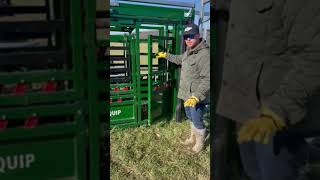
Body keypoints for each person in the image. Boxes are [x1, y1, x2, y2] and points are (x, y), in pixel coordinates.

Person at [214, 0, 319, 179]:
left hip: (273, 116)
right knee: (253, 171)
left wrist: (278, 111)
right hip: (243, 108)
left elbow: (314, 56)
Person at [156, 23, 210, 153]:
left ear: (198, 35)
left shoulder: (204, 55)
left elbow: (208, 79)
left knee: (197, 120)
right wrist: (166, 55)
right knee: (190, 117)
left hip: (195, 97)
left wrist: (196, 96)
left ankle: (200, 144)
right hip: (186, 94)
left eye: (191, 36)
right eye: (186, 37)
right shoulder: (188, 52)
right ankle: (193, 137)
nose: (188, 39)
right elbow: (179, 59)